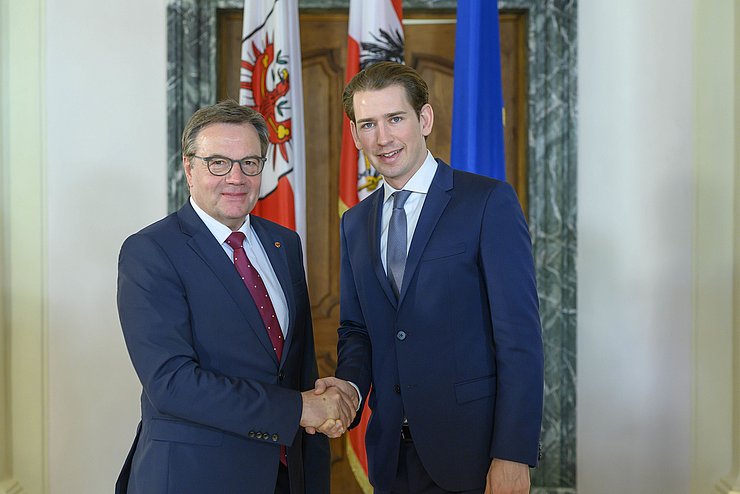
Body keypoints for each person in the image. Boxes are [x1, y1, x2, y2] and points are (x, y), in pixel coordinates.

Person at [317, 62, 544, 494]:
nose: (382, 138)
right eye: (368, 124)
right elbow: (357, 329)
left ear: (424, 119)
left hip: (475, 457)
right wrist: (347, 386)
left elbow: (519, 338)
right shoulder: (356, 223)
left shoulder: (486, 203)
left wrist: (513, 453)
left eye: (395, 119)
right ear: (354, 134)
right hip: (391, 458)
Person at [115, 100, 355, 494]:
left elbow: (297, 367)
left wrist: (318, 423)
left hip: (285, 474)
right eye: (218, 163)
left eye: (250, 162)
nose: (236, 177)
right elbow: (172, 383)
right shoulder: (151, 251)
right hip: (196, 476)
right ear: (189, 168)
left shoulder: (284, 243)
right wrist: (300, 408)